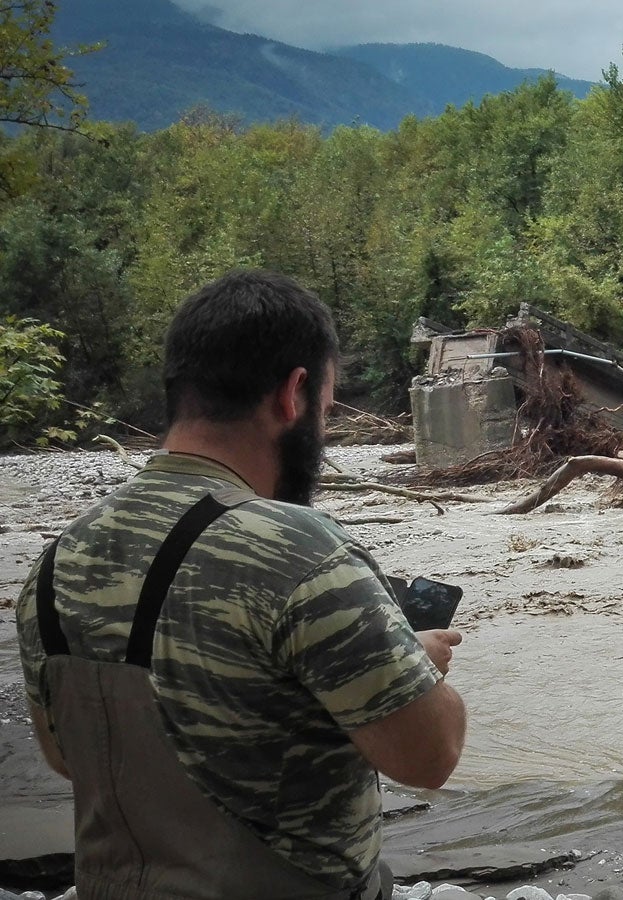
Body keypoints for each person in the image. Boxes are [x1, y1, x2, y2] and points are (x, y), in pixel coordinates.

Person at [12, 269, 468, 900]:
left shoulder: (55, 563)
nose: (325, 433)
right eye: (327, 411)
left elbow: (67, 757)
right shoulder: (301, 549)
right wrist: (416, 662)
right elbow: (430, 758)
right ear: (292, 395)